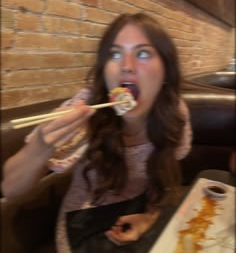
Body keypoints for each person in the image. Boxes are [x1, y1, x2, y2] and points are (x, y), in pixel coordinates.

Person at [1, 13, 192, 253]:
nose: (126, 66)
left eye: (143, 53)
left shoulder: (174, 112)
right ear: (104, 70)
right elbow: (10, 188)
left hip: (140, 209)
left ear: (165, 71)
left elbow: (165, 176)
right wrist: (40, 144)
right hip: (86, 223)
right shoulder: (86, 110)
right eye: (115, 54)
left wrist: (149, 218)